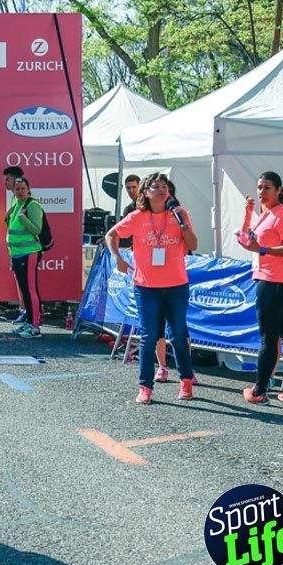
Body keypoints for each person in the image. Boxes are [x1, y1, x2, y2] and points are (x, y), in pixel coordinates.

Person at [105, 173, 198, 403]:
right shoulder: (137, 217)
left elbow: (194, 244)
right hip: (146, 287)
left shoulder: (179, 213)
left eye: (165, 186)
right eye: (156, 186)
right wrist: (117, 257)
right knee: (148, 337)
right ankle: (145, 387)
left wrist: (183, 224)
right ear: (145, 192)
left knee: (178, 335)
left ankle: (186, 381)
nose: (162, 189)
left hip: (176, 285)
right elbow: (111, 235)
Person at [237, 171, 283, 404]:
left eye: (267, 188)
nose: (261, 192)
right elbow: (246, 239)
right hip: (272, 279)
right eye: (259, 187)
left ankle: (259, 391)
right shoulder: (265, 214)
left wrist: (263, 250)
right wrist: (247, 214)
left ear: (278, 190)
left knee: (268, 337)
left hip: (275, 280)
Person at [5, 177, 46, 338]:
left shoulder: (33, 205)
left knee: (30, 289)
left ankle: (35, 326)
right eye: (17, 189)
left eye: (23, 189)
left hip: (29, 253)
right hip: (17, 254)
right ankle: (29, 322)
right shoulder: (17, 203)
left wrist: (23, 218)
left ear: (28, 189)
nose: (20, 192)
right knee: (24, 290)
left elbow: (37, 229)